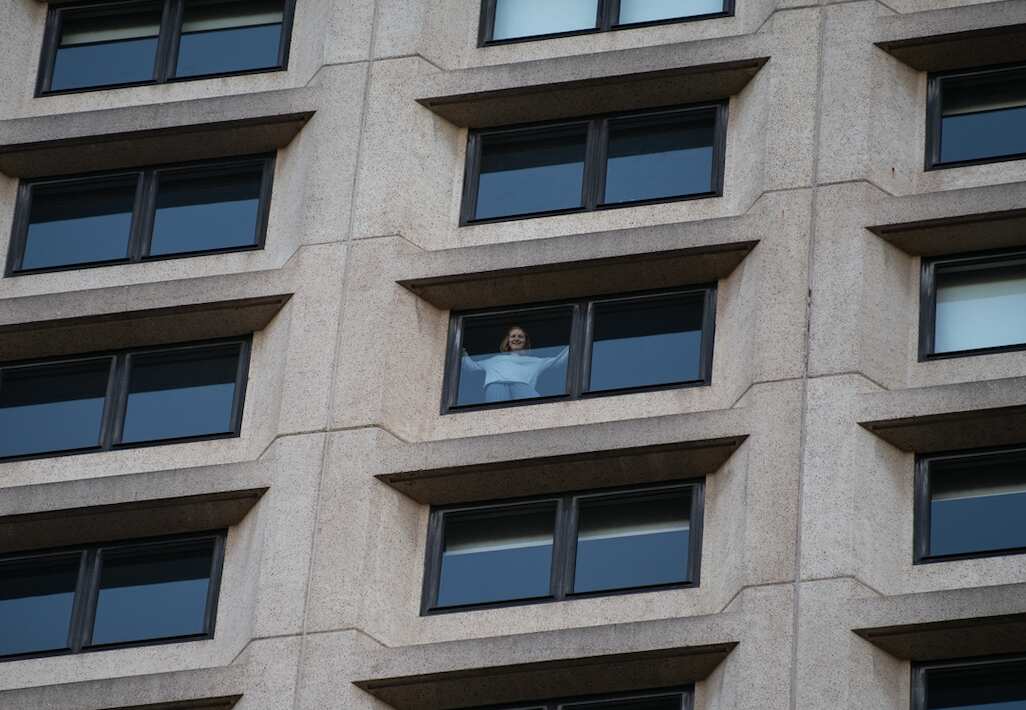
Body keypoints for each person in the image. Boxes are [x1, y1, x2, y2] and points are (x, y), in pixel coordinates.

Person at [461, 325, 570, 402]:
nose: (516, 339)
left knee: (532, 410)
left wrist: (574, 345)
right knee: (496, 415)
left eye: (520, 336)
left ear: (525, 341)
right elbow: (471, 367)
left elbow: (558, 361)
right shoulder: (494, 360)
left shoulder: (536, 362)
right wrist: (462, 353)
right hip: (496, 387)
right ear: (508, 341)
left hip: (522, 388)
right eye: (513, 336)